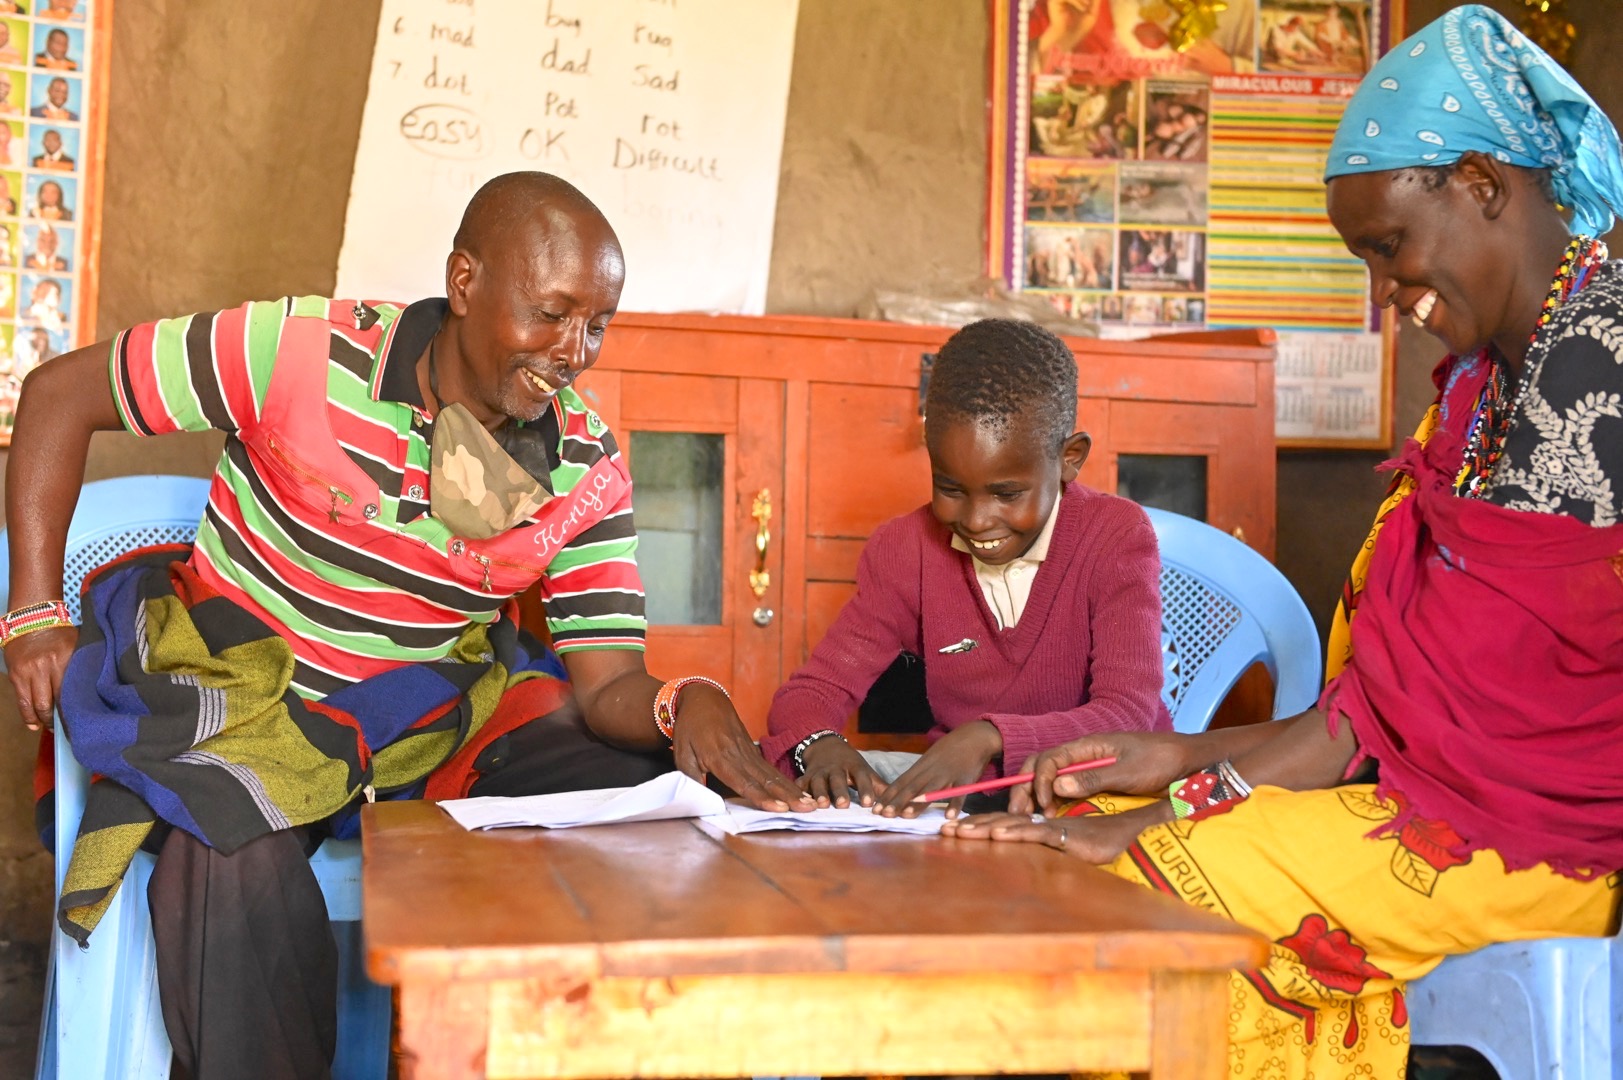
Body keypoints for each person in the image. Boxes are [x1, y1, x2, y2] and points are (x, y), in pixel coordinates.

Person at [2, 172, 812, 1080]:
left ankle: (528, 1054)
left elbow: (609, 684)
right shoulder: (299, 352)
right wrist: (34, 611)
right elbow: (58, 395)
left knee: (647, 797)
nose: (573, 351)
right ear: (464, 283)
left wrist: (679, 705)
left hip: (425, 710)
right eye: (549, 314)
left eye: (597, 324)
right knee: (220, 840)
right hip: (243, 689)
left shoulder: (582, 458)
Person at [942, 8, 1623, 1079]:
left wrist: (1166, 817)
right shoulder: (1482, 394)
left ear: (1484, 186)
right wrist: (1173, 764)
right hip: (1435, 805)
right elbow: (1391, 725)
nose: (1390, 298)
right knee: (1081, 848)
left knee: (1140, 898)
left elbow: (1455, 739)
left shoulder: (1605, 365)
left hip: (1542, 842)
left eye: (1390, 251)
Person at [761, 318, 1171, 816]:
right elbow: (811, 692)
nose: (976, 521)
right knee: (789, 778)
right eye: (951, 488)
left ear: (1070, 459)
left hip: (1098, 794)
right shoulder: (905, 549)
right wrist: (819, 743)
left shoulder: (1115, 536)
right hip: (964, 795)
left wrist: (988, 736)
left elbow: (1128, 714)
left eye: (1007, 493)